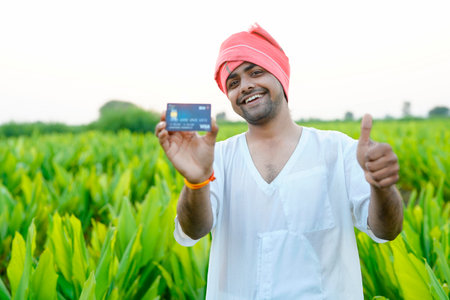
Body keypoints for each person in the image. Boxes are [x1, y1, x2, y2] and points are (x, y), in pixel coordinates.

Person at [155, 23, 403, 300]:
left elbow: (386, 230)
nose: (245, 86)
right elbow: (193, 231)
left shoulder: (338, 150)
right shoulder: (220, 158)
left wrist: (382, 187)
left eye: (256, 72)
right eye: (233, 83)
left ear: (280, 76)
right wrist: (197, 180)